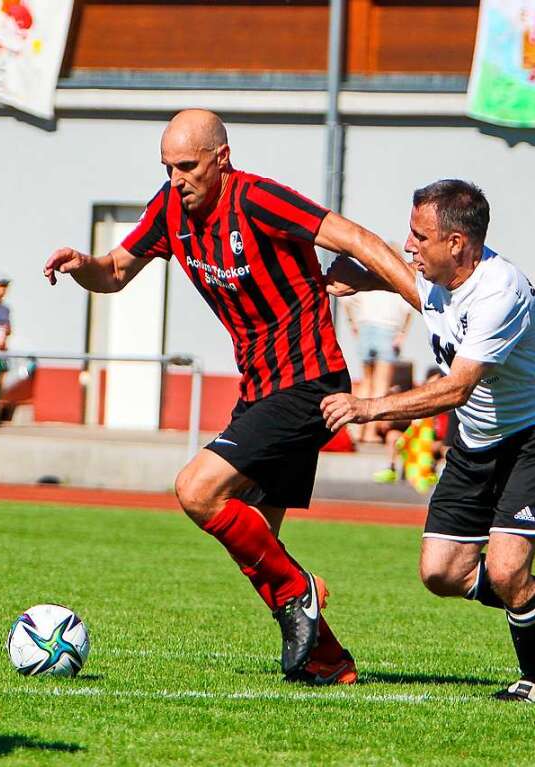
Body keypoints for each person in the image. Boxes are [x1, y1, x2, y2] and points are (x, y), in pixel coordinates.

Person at [43, 109, 408, 684]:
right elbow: (115, 272)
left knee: (196, 489)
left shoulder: (259, 198)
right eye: (167, 168)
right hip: (260, 389)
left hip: (309, 383)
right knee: (259, 540)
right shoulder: (169, 210)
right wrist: (84, 266)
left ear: (222, 158)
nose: (175, 179)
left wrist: (429, 302)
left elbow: (359, 239)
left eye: (186, 166)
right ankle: (330, 661)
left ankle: (302, 592)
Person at [323, 179, 535, 701]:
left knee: (507, 569)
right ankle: (528, 601)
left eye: (420, 235)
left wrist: (368, 406)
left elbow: (457, 388)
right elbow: (403, 279)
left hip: (527, 438)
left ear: (457, 243)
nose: (410, 244)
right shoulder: (440, 275)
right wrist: (364, 278)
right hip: (476, 441)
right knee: (441, 573)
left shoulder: (499, 293)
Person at [341, 250, 413, 443]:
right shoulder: (396, 283)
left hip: (365, 329)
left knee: (366, 382)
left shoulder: (369, 278)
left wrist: (353, 324)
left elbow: (347, 301)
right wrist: (402, 333)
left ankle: (357, 432)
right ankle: (371, 432)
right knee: (381, 385)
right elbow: (408, 310)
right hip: (387, 330)